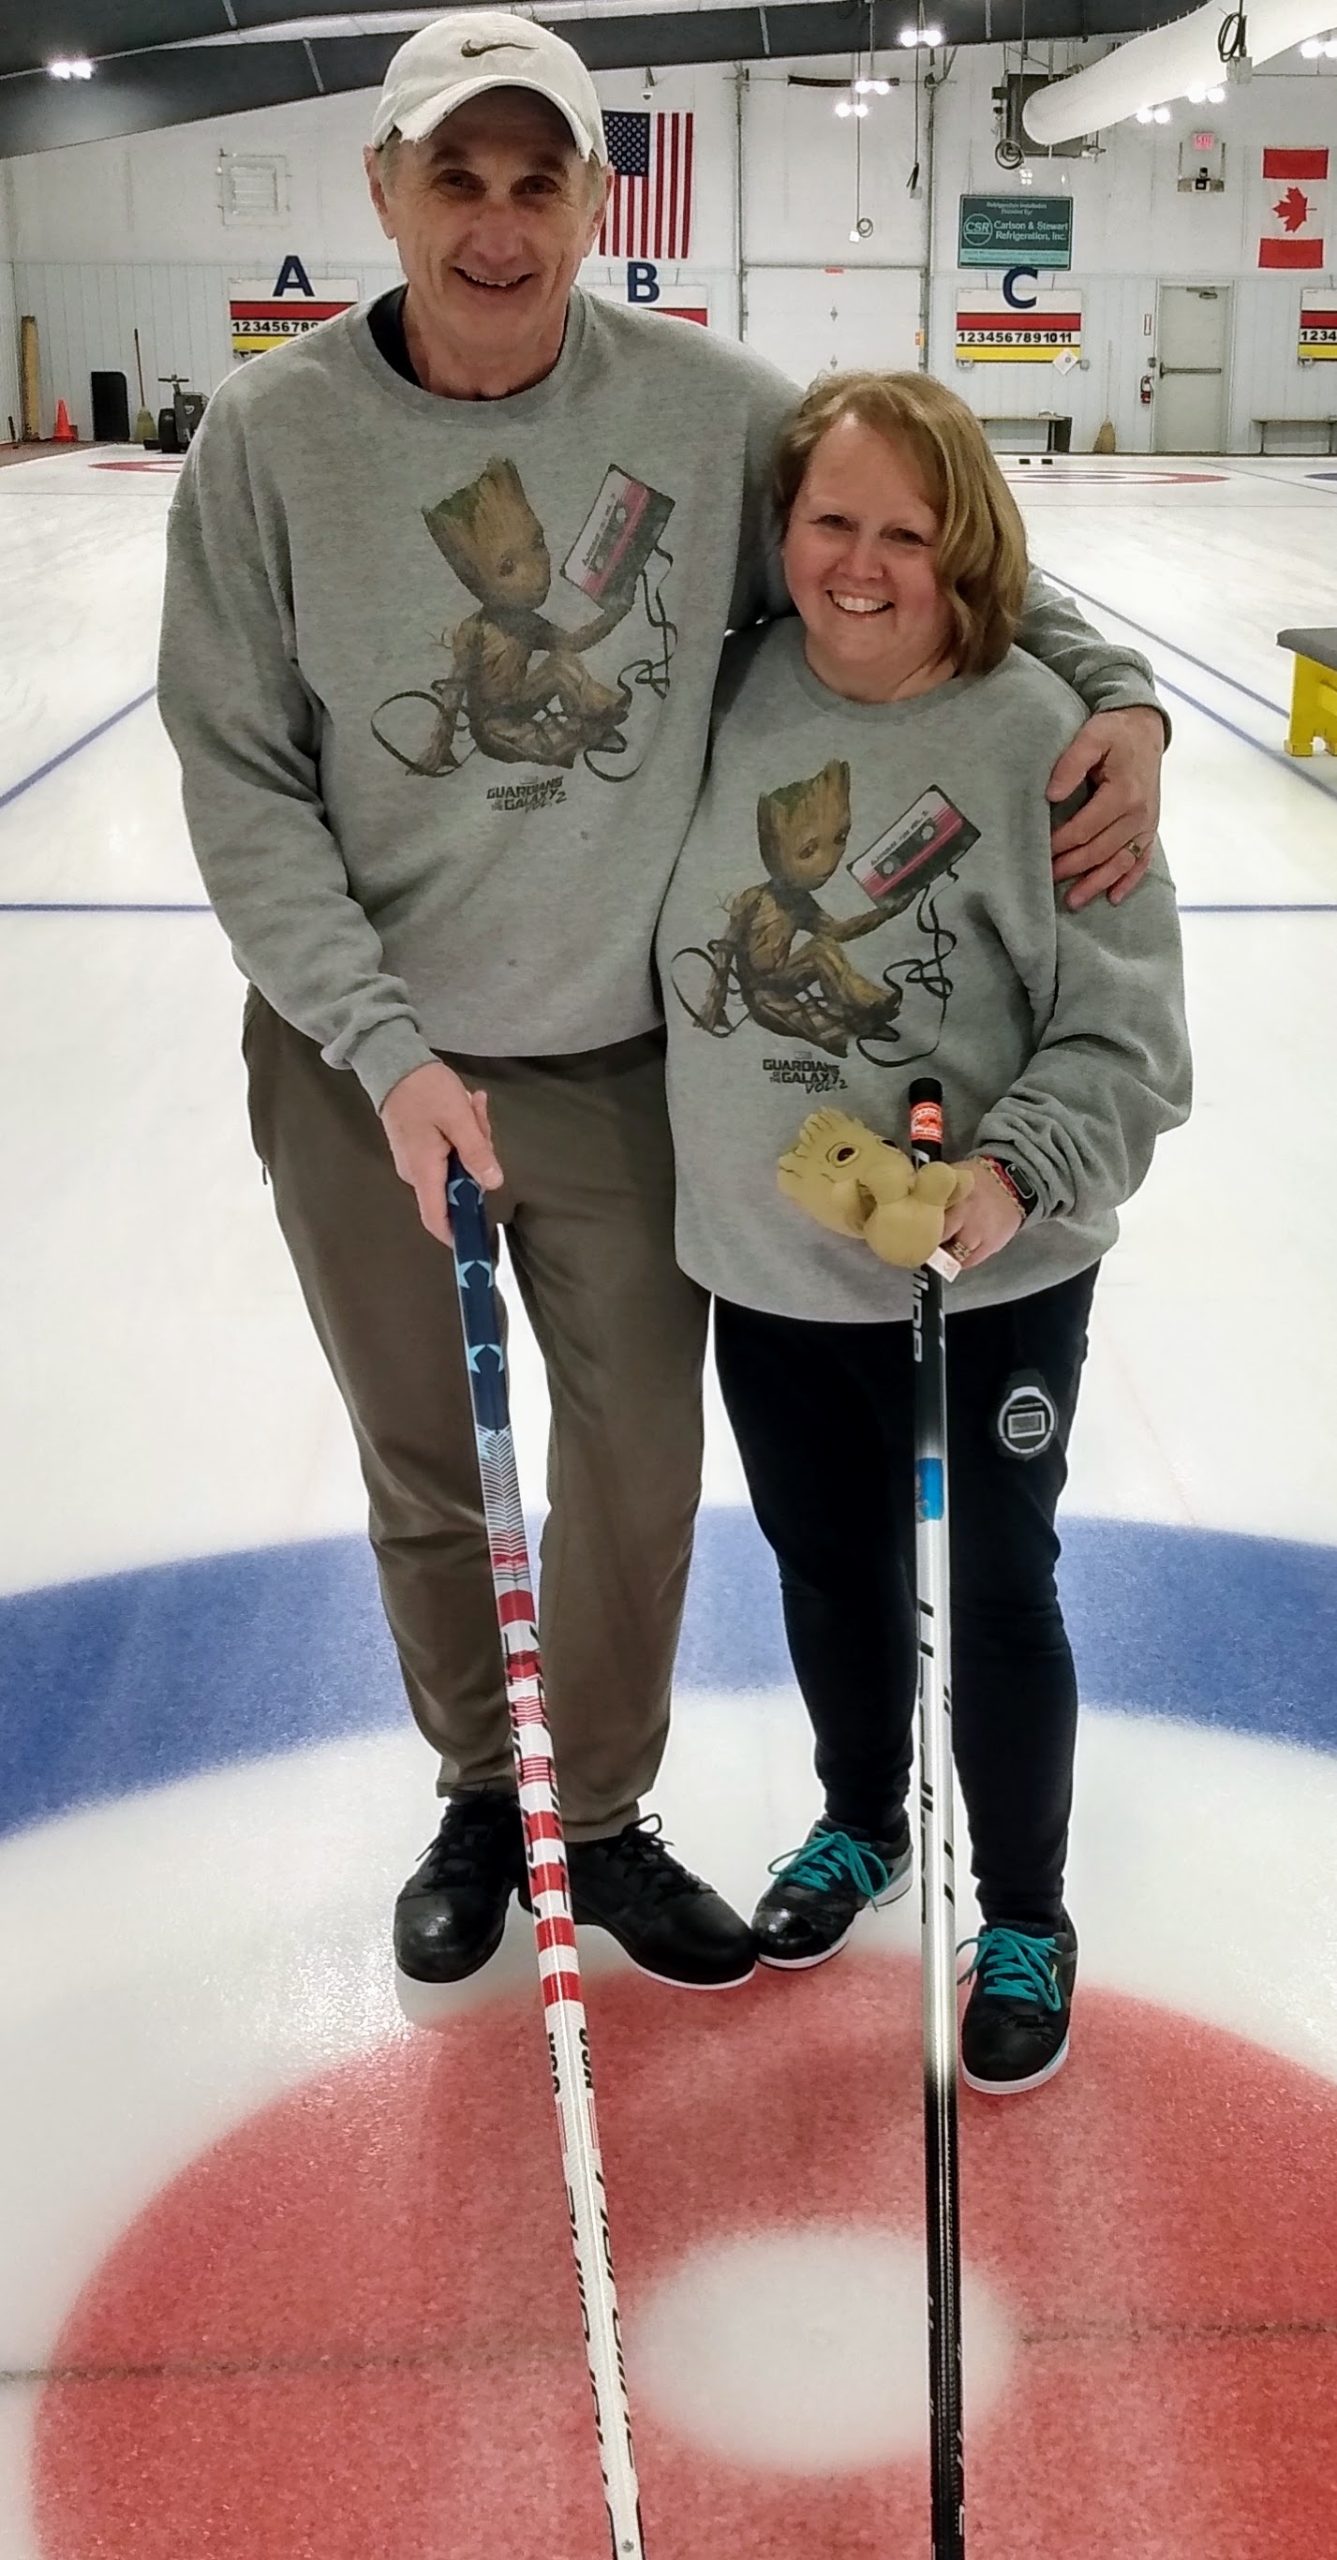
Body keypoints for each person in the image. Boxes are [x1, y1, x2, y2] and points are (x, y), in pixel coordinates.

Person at [157, 8, 1172, 2002]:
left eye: (537, 181)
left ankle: (600, 1811)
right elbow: (240, 777)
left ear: (593, 202)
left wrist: (1118, 694)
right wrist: (380, 1044)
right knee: (429, 1466)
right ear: (384, 190)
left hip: (626, 1069)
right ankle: (488, 1795)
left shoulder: (713, 411)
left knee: (629, 1470)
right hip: (367, 1066)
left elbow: (923, 539)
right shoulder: (270, 441)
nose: (498, 222)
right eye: (456, 177)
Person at [657, 369, 1190, 2087]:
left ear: (969, 545)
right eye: (831, 521)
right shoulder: (727, 688)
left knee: (996, 1589)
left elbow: (1127, 1039)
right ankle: (859, 1821)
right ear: (781, 533)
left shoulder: (1046, 739)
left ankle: (1022, 1909)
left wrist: (1010, 1172)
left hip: (987, 1283)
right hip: (768, 1267)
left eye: (908, 531)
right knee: (828, 1568)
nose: (862, 566)